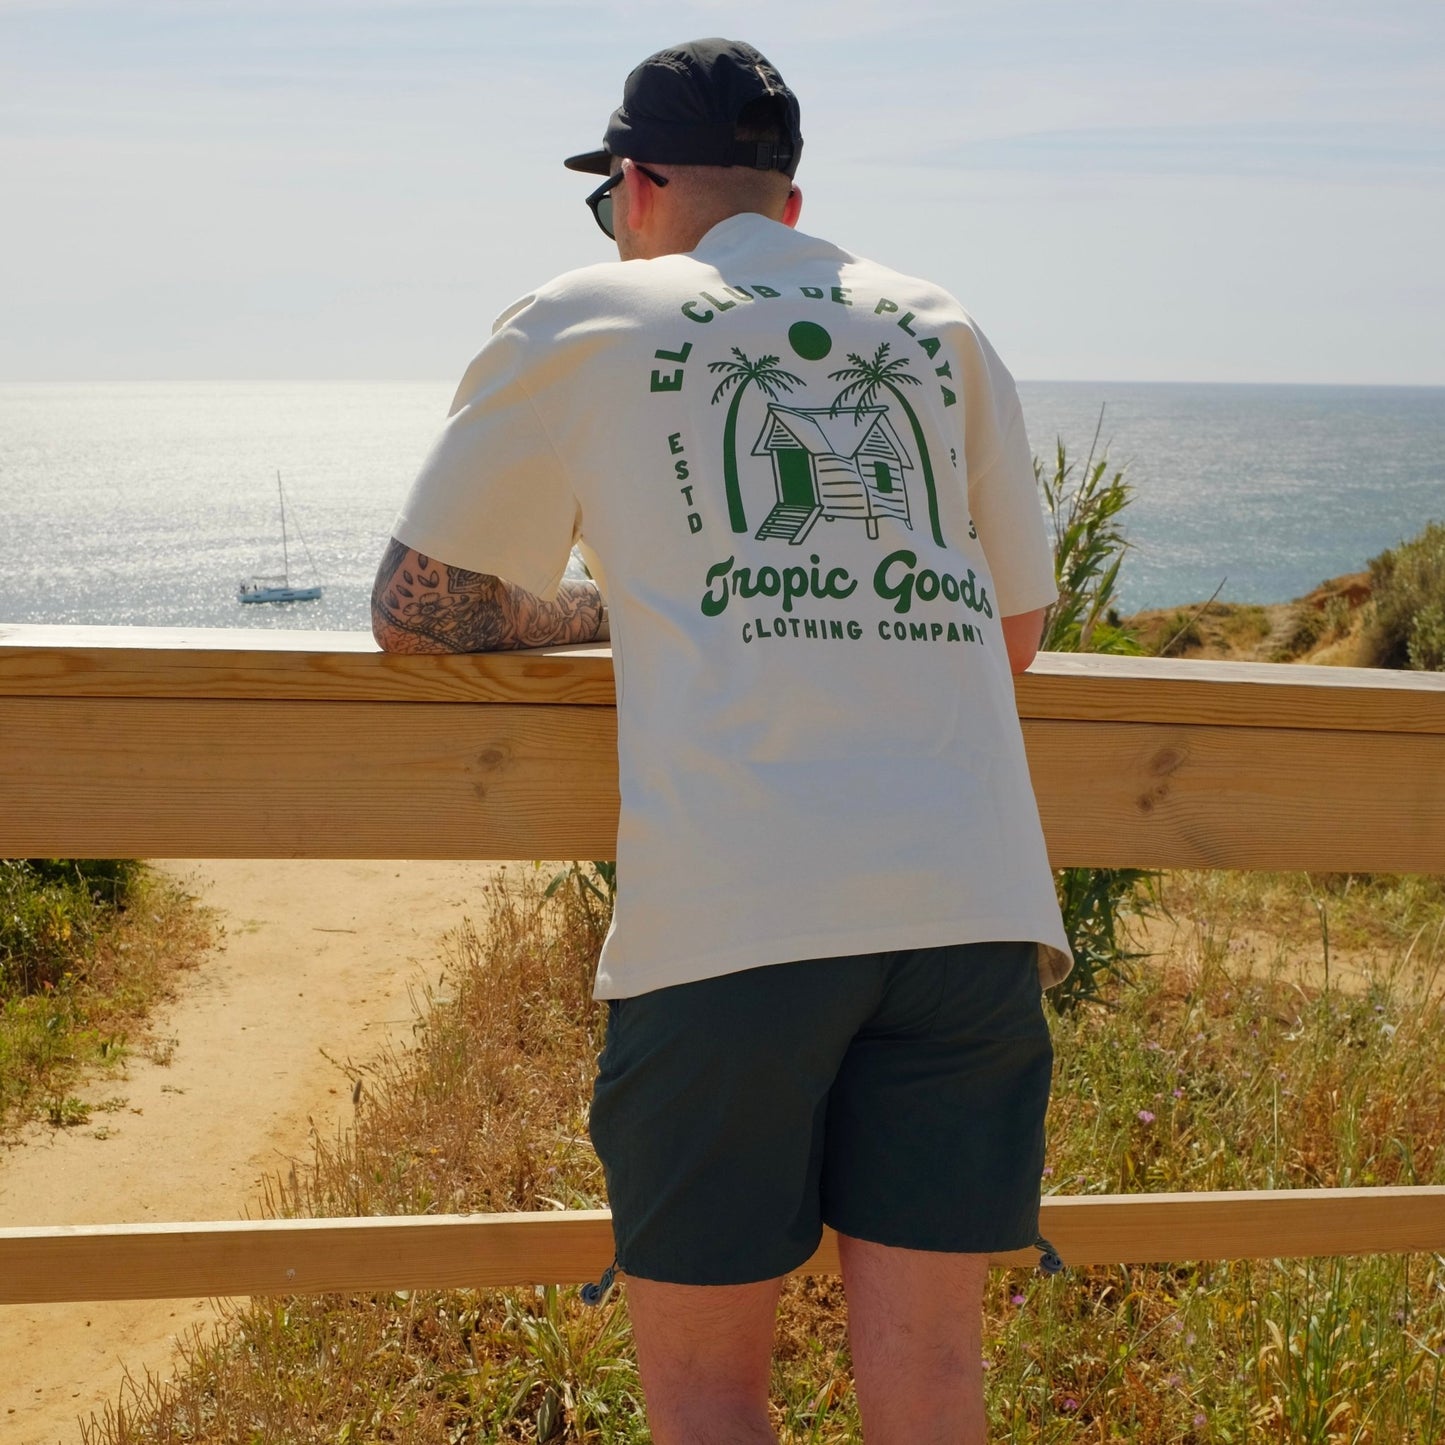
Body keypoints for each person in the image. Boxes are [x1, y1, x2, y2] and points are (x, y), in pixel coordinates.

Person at [372, 37, 1071, 1445]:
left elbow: (415, 606)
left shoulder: (588, 315)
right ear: (789, 206)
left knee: (707, 1396)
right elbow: (1013, 623)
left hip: (736, 915)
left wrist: (623, 609)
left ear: (633, 187)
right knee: (933, 1383)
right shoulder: (936, 322)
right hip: (971, 906)